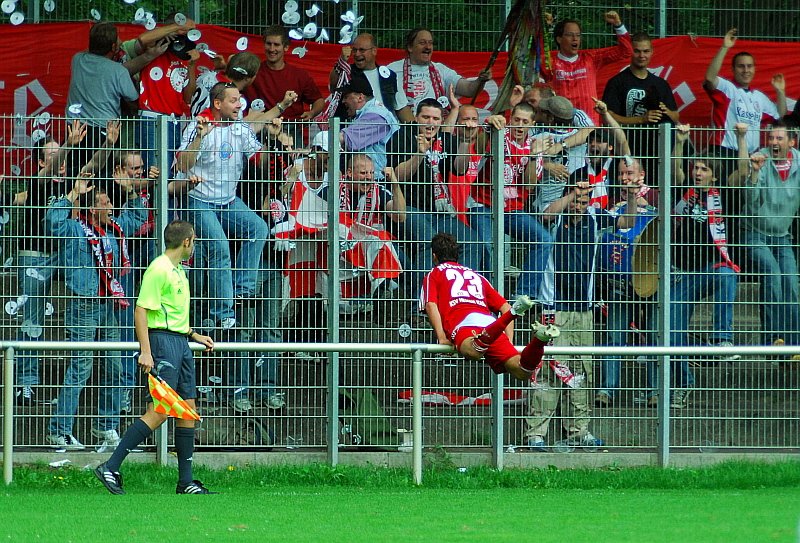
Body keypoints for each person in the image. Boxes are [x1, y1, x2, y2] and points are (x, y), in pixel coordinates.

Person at [94, 220, 215, 495]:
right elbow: (141, 311)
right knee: (161, 410)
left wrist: (193, 335)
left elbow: (171, 314)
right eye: (193, 241)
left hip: (180, 343)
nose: (194, 245)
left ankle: (186, 482)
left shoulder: (179, 271)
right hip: (163, 345)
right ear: (186, 242)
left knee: (187, 410)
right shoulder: (158, 269)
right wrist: (146, 351)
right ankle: (111, 466)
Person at [45, 173, 148, 450]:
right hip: (83, 305)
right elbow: (52, 223)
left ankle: (105, 425)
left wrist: (130, 191)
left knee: (116, 366)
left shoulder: (113, 228)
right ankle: (58, 430)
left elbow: (138, 217)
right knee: (81, 368)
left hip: (107, 306)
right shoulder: (76, 229)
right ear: (93, 208)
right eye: (106, 203)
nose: (111, 207)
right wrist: (72, 194)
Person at [175, 81, 279, 329]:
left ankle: (242, 292)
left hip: (228, 201)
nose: (239, 104)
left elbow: (260, 161)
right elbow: (182, 165)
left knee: (258, 229)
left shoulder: (240, 129)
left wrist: (271, 139)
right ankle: (223, 312)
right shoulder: (198, 124)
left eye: (239, 99)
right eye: (233, 100)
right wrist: (200, 138)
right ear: (218, 103)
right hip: (198, 200)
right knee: (220, 248)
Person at [527, 174, 611, 451]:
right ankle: (536, 434)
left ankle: (578, 431)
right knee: (549, 371)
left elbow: (627, 221)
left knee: (581, 371)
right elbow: (546, 215)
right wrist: (570, 195)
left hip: (584, 313)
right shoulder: (556, 218)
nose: (579, 204)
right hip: (554, 311)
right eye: (576, 198)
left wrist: (633, 197)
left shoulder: (596, 219)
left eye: (584, 200)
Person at [666, 124, 740, 408]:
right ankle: (683, 383)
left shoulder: (723, 197)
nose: (698, 173)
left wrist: (743, 140)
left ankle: (722, 339)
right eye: (696, 168)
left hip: (708, 269)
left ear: (715, 175)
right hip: (681, 275)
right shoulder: (682, 192)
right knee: (674, 328)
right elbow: (674, 170)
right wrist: (681, 142)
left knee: (727, 273)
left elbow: (742, 174)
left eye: (704, 169)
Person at [420, 233, 560, 381]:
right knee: (522, 370)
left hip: (464, 323)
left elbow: (430, 305)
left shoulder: (433, 274)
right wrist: (508, 341)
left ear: (434, 256)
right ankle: (539, 340)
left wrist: (441, 337)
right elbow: (504, 306)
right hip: (490, 324)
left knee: (472, 351)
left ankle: (513, 314)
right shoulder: (477, 276)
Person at [387, 98, 479, 295]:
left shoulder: (446, 139)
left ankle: (466, 298)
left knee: (471, 241)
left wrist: (465, 141)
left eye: (435, 118)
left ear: (441, 120)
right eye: (426, 117)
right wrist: (420, 154)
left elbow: (460, 169)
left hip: (440, 211)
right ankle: (421, 305)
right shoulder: (403, 136)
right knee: (428, 242)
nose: (430, 123)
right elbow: (397, 175)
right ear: (416, 118)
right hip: (409, 208)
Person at [469, 104, 553, 300]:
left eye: (525, 122)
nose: (520, 126)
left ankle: (522, 296)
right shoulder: (499, 133)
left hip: (512, 209)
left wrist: (533, 155)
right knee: (487, 245)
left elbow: (529, 185)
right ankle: (485, 297)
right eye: (517, 120)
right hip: (483, 203)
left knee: (544, 239)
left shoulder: (534, 146)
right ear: (511, 118)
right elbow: (480, 148)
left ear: (532, 124)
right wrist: (489, 124)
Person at [595, 156, 658, 408]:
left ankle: (655, 391)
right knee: (614, 337)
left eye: (630, 173)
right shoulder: (611, 208)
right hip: (619, 284)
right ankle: (606, 391)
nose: (625, 178)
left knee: (655, 337)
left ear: (641, 175)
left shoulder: (656, 206)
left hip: (651, 283)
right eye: (621, 173)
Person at [732, 121, 800, 352]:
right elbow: (750, 203)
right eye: (771, 138)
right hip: (754, 232)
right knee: (772, 272)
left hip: (782, 235)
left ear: (792, 142)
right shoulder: (759, 158)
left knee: (791, 281)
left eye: (779, 139)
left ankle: (793, 345)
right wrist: (755, 173)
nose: (773, 143)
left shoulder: (799, 161)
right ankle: (773, 341)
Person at [601, 32, 679, 173]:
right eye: (637, 51)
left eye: (646, 51)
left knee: (654, 192)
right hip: (627, 150)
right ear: (630, 52)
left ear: (652, 52)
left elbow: (676, 117)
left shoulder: (661, 84)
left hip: (657, 152)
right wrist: (641, 119)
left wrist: (665, 111)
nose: (642, 55)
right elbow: (608, 117)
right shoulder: (617, 82)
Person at [703, 28, 786, 159]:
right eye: (741, 66)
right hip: (724, 152)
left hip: (750, 155)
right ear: (733, 69)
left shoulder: (759, 97)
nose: (746, 70)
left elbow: (780, 116)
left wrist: (780, 91)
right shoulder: (728, 88)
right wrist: (725, 47)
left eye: (749, 66)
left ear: (754, 69)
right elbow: (710, 78)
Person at [543, 12, 632, 125]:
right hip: (560, 126)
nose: (575, 39)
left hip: (589, 125)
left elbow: (626, 51)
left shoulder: (591, 58)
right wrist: (541, 26)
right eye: (570, 35)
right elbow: (529, 57)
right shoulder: (549, 61)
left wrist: (618, 25)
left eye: (578, 35)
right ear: (559, 39)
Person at [244, 24, 325, 140]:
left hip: (291, 130)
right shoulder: (252, 73)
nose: (272, 49)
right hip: (259, 129)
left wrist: (312, 113)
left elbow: (319, 101)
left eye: (276, 45)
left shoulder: (299, 75)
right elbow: (234, 84)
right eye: (268, 44)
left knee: (295, 159)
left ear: (286, 47)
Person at [387, 28, 491, 114]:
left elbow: (469, 90)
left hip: (435, 130)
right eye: (422, 43)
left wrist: (481, 80)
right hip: (403, 132)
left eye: (430, 43)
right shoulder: (392, 70)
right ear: (410, 47)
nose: (427, 47)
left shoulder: (441, 70)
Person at [328, 33, 413, 122]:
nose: (357, 54)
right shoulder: (346, 72)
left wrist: (415, 130)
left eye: (362, 50)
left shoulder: (389, 76)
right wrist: (341, 62)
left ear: (374, 51)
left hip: (383, 131)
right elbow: (333, 85)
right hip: (352, 130)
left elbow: (402, 108)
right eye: (354, 50)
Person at [337, 77, 400, 180]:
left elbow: (348, 139)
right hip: (369, 179)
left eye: (346, 96)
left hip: (378, 180)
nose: (343, 101)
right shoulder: (370, 112)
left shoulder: (375, 115)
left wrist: (322, 141)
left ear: (360, 98)